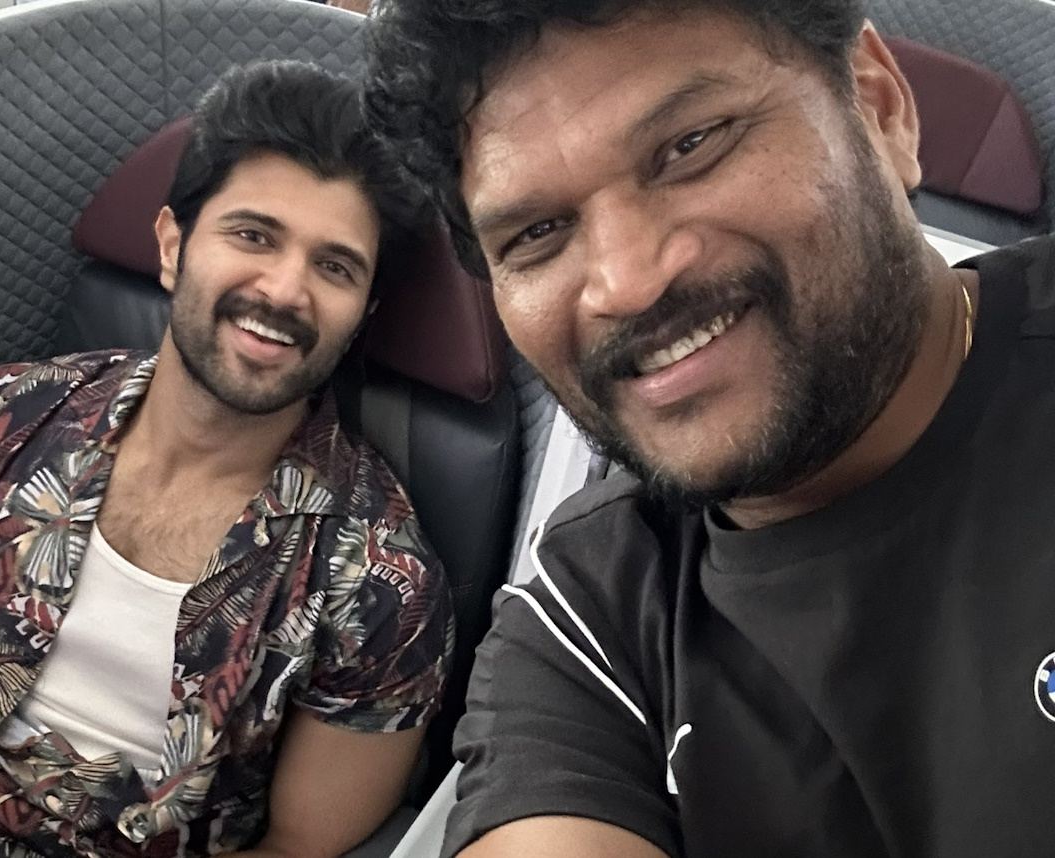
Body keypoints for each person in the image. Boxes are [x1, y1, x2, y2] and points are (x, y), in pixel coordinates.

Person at [366, 1, 1055, 856]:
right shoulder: (586, 621)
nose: (627, 282)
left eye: (691, 145)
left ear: (878, 106)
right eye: (538, 233)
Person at [0, 59, 452, 858]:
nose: (285, 290)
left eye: (334, 267)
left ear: (362, 314)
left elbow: (300, 848)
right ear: (172, 246)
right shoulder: (9, 415)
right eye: (253, 235)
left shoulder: (382, 581)